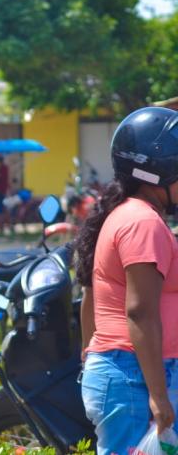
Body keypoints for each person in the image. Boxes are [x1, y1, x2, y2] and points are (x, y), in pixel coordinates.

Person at [76, 106, 178, 455]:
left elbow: (91, 297)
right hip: (136, 378)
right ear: (159, 170)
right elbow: (140, 313)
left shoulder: (130, 215)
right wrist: (158, 397)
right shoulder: (142, 223)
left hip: (129, 374)